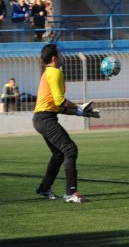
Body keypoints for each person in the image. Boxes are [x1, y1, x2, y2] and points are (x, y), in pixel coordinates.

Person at [33, 44, 99, 203]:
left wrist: (80, 111)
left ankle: (44, 188)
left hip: (42, 118)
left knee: (59, 154)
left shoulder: (49, 73)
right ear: (54, 58)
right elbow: (60, 101)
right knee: (70, 149)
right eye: (60, 53)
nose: (63, 56)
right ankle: (71, 193)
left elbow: (56, 106)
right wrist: (79, 107)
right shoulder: (55, 73)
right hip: (45, 119)